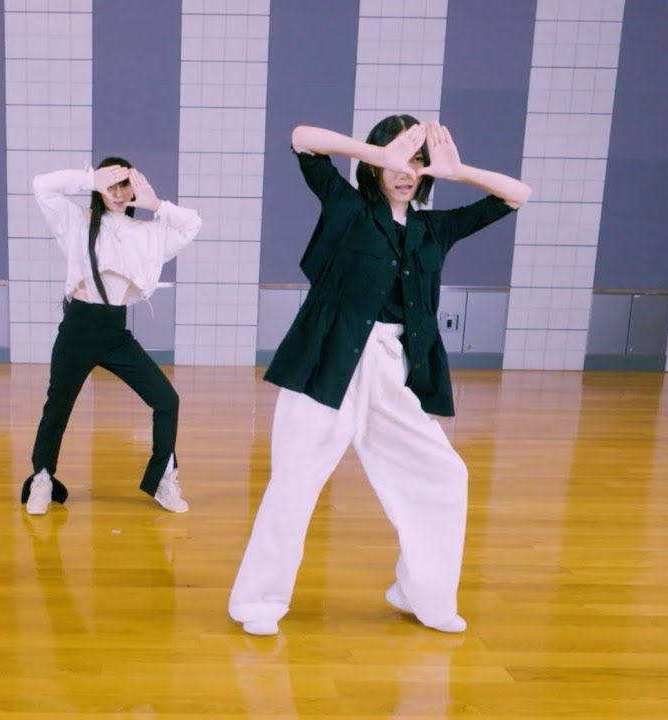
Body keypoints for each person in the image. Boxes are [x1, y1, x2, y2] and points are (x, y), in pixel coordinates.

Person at [228, 116, 532, 635]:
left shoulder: (433, 228)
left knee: (445, 475)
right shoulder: (347, 207)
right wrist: (381, 154)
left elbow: (516, 194)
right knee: (294, 481)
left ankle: (422, 593)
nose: (405, 171)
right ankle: (258, 601)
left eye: (416, 161)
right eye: (397, 158)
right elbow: (302, 138)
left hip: (392, 370)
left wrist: (457, 171)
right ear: (377, 162)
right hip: (327, 363)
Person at [22, 157, 203, 515]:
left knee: (167, 400)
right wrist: (90, 178)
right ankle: (42, 479)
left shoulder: (148, 234)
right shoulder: (78, 222)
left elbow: (192, 224)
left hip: (115, 332)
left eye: (125, 186)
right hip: (78, 329)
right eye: (112, 185)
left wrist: (156, 205)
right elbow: (42, 184)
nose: (118, 194)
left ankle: (163, 479)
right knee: (57, 408)